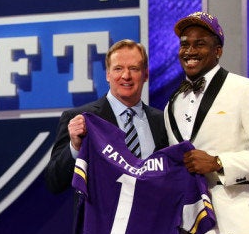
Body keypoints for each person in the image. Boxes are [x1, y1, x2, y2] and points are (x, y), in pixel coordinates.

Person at [165, 11, 249, 234]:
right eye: (184, 44)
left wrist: (218, 162)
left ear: (218, 51)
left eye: (200, 44)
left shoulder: (247, 90)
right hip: (188, 233)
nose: (189, 51)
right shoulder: (173, 103)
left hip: (239, 227)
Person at [44, 39, 168, 194]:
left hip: (152, 216)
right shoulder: (81, 118)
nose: (126, 75)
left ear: (146, 74)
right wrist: (75, 147)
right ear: (108, 75)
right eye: (118, 69)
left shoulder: (163, 121)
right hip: (101, 217)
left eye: (134, 68)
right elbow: (54, 182)